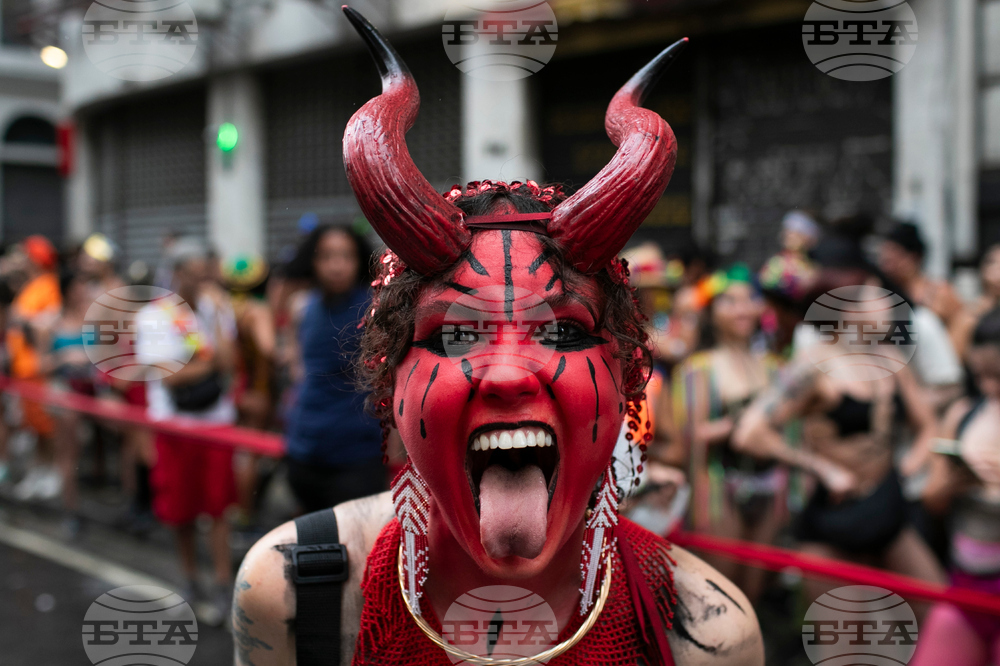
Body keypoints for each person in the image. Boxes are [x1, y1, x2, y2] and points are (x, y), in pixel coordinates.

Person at [234, 10, 762, 666]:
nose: (510, 373)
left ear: (627, 375)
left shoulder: (706, 634)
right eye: (456, 335)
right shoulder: (295, 591)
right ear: (390, 380)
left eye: (564, 332)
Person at [734, 232, 947, 602]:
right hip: (832, 522)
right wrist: (822, 469)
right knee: (848, 648)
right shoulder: (813, 367)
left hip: (886, 511)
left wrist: (911, 467)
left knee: (939, 611)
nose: (891, 307)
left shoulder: (892, 361)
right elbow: (750, 433)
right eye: (878, 298)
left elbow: (927, 423)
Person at [136, 237, 237, 624]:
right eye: (196, 276)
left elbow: (228, 362)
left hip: (216, 423)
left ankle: (223, 584)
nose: (204, 282)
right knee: (180, 510)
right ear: (177, 275)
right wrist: (207, 366)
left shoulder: (213, 310)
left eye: (206, 274)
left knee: (218, 508)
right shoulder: (156, 316)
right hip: (175, 426)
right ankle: (190, 578)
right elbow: (168, 377)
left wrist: (219, 314)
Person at [673, 265, 786, 602]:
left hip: (769, 486)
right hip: (720, 488)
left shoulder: (774, 367)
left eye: (748, 299)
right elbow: (687, 436)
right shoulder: (698, 368)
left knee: (754, 592)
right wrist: (736, 426)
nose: (741, 308)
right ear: (712, 312)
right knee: (722, 594)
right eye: (729, 301)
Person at [911, 308, 1000, 666]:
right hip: (964, 583)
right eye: (980, 375)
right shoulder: (962, 413)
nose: (989, 386)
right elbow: (931, 502)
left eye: (998, 375)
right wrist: (950, 482)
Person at [282, 223, 385, 514]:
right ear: (313, 262)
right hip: (304, 447)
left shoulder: (375, 309)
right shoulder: (302, 307)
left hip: (356, 455)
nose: (336, 266)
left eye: (346, 256)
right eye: (326, 256)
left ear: (359, 260)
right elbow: (297, 369)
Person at [879, 223, 965, 408]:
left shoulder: (939, 293)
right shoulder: (883, 295)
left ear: (913, 257)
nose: (885, 261)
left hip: (934, 380)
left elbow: (959, 338)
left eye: (892, 254)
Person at [222, 254, 277, 522]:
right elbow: (268, 348)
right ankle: (245, 513)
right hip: (258, 389)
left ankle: (237, 508)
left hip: (238, 388)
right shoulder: (257, 310)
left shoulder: (231, 307)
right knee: (251, 455)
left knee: (240, 453)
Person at [7, 236, 62, 501]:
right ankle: (39, 471)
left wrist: (26, 323)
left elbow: (48, 323)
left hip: (37, 369)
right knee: (33, 425)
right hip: (23, 368)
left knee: (45, 425)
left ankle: (51, 471)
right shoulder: (31, 286)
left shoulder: (48, 285)